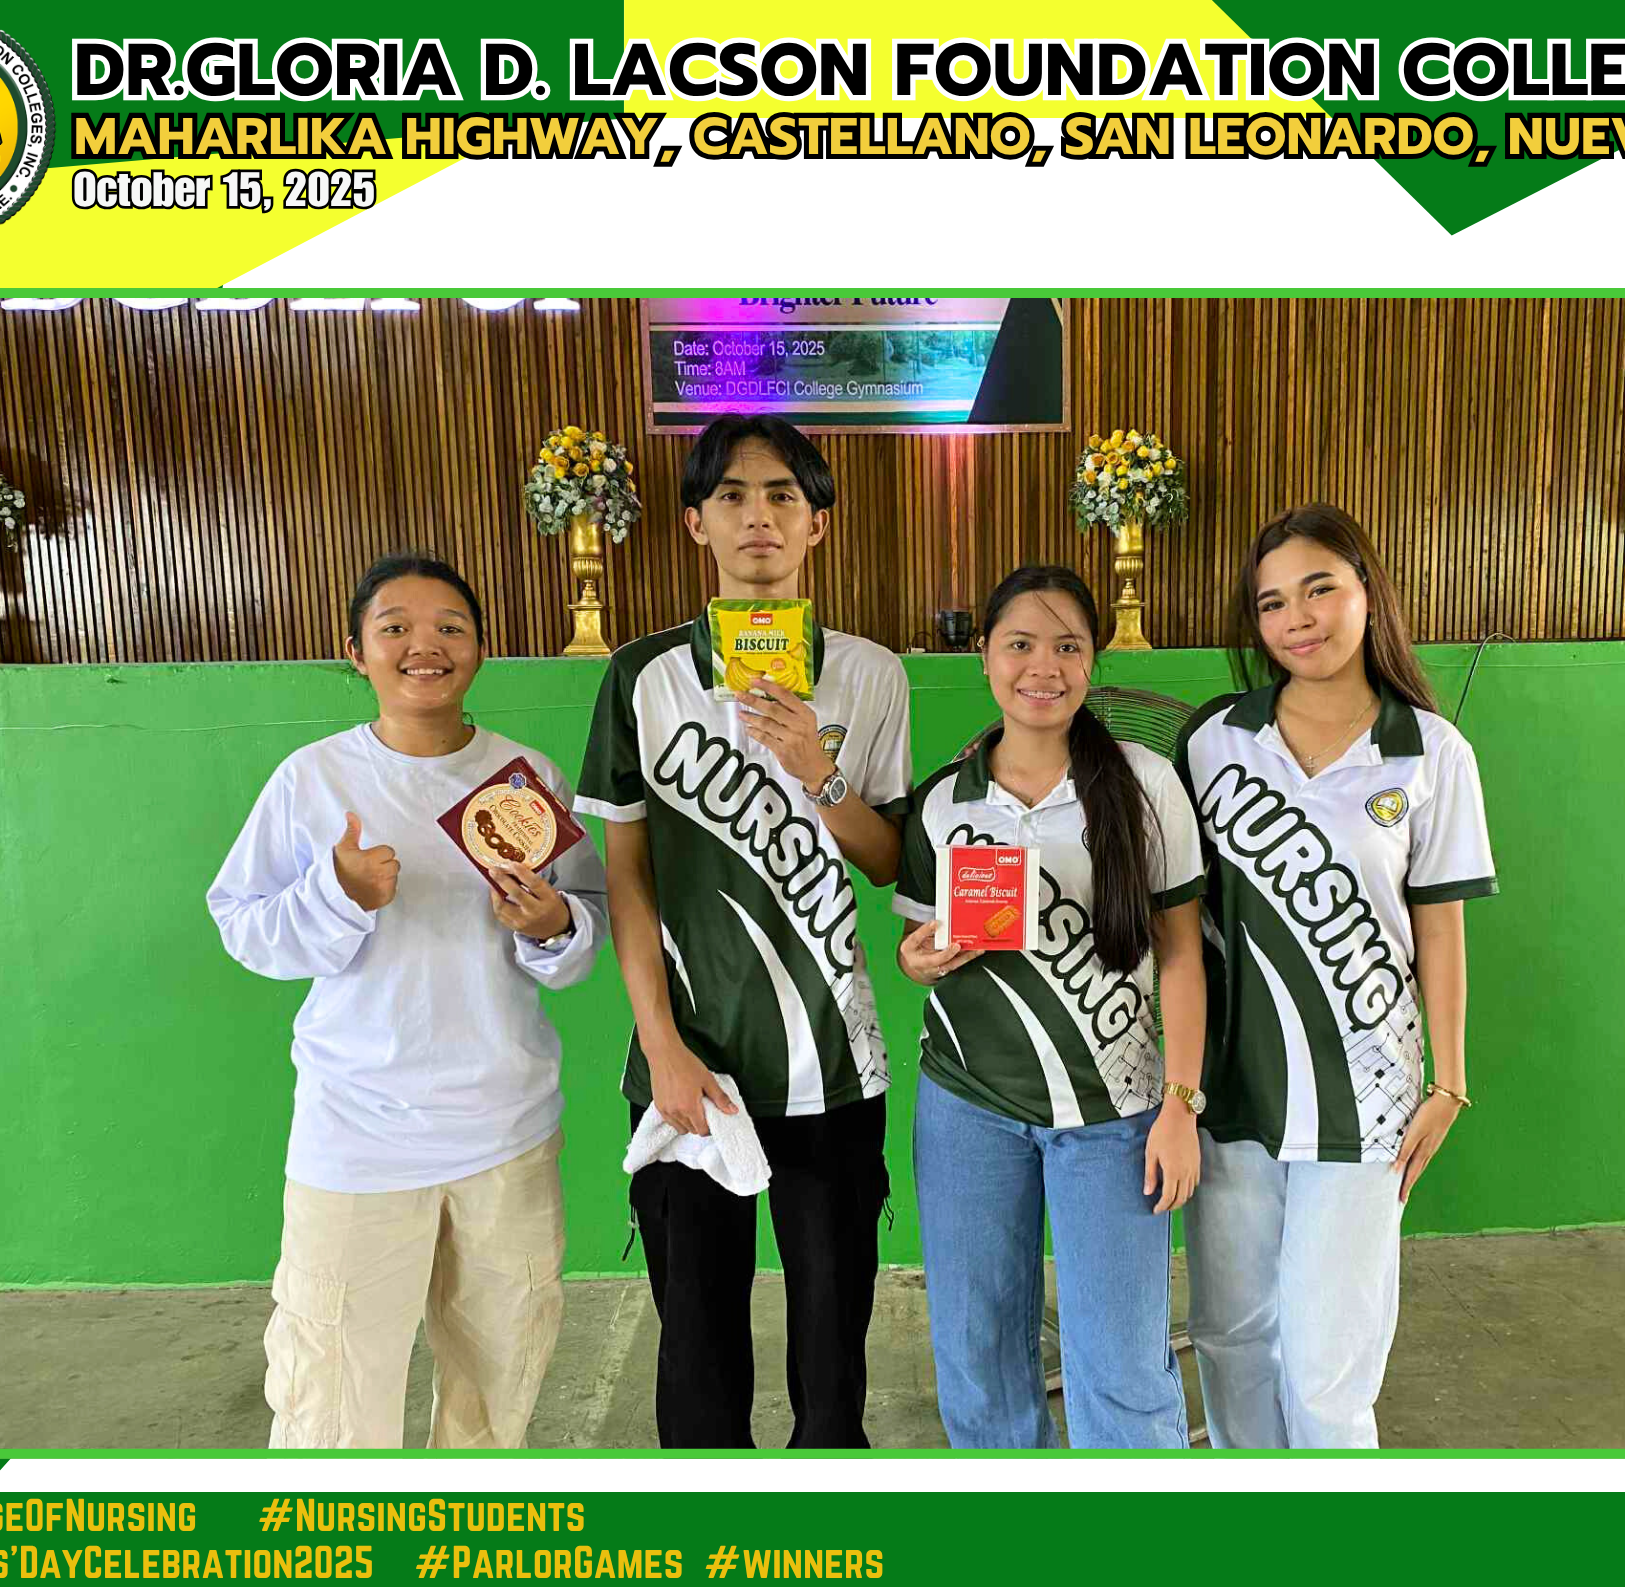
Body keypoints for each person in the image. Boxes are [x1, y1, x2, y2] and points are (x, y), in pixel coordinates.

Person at [208, 552, 609, 1449]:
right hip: (357, 1133)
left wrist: (550, 922)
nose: (424, 645)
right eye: (394, 627)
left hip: (505, 1128)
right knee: (331, 1401)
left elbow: (583, 927)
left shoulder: (526, 777)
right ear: (356, 652)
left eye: (449, 627)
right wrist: (336, 893)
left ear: (479, 649)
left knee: (496, 1394)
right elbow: (243, 924)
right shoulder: (312, 778)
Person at [574, 416, 912, 1448]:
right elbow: (625, 876)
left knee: (832, 1365)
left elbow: (888, 859)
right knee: (698, 1361)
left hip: (830, 1060)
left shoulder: (870, 673)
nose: (757, 516)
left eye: (780, 496)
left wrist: (821, 772)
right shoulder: (641, 676)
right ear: (695, 524)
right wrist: (662, 1047)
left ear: (817, 524)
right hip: (691, 1063)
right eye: (730, 495)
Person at [1175, 504, 1498, 1449]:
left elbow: (1439, 927)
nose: (1298, 618)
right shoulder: (1214, 739)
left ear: (1367, 591)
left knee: (1328, 1367)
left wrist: (1449, 1079)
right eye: (1272, 602)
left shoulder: (1430, 751)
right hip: (1232, 1088)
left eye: (1319, 588)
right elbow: (1170, 904)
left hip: (1366, 1095)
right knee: (1231, 1337)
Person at [893, 565, 1207, 1448]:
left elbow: (1182, 956)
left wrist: (1180, 1105)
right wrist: (916, 959)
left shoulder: (1144, 781)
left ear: (1092, 660)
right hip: (967, 1106)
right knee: (977, 1353)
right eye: (1020, 644)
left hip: (1113, 1108)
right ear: (984, 657)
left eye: (1067, 646)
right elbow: (916, 943)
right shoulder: (944, 799)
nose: (1043, 666)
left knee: (1122, 1365)